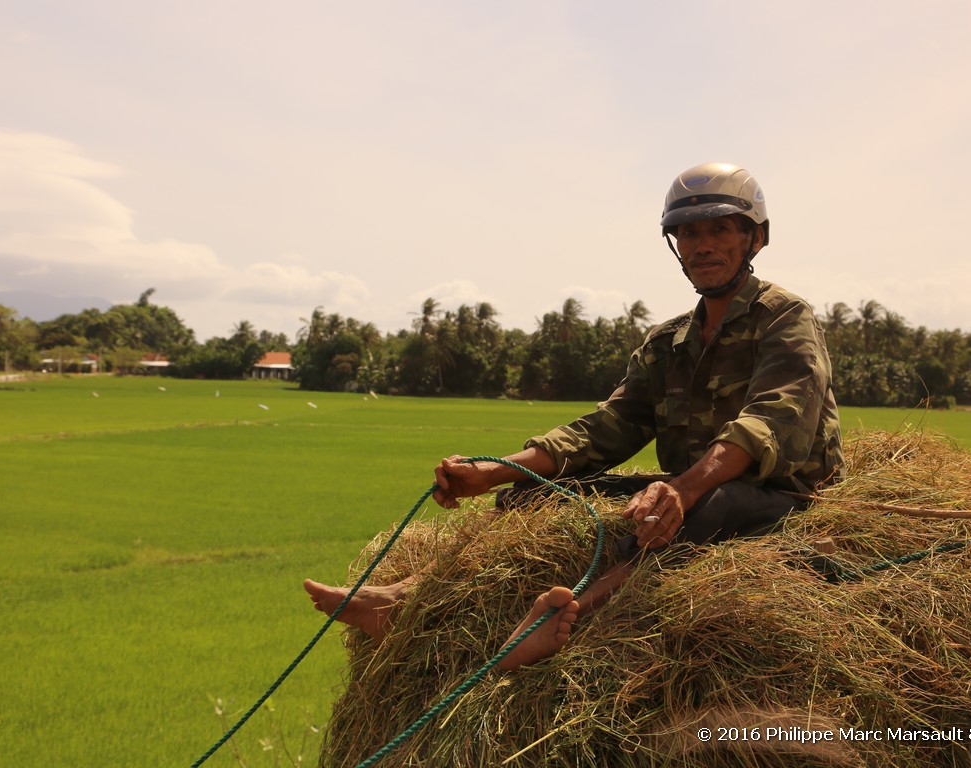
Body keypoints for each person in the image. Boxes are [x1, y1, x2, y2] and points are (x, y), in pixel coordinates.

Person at [304, 162, 844, 670]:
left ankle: (567, 617)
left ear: (756, 237)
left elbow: (769, 420)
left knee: (704, 508)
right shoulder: (666, 341)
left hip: (780, 491)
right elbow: (607, 428)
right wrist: (499, 469)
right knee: (530, 494)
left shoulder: (786, 318)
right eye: (688, 234)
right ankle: (403, 598)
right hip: (685, 486)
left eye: (719, 230)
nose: (702, 246)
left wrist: (684, 489)